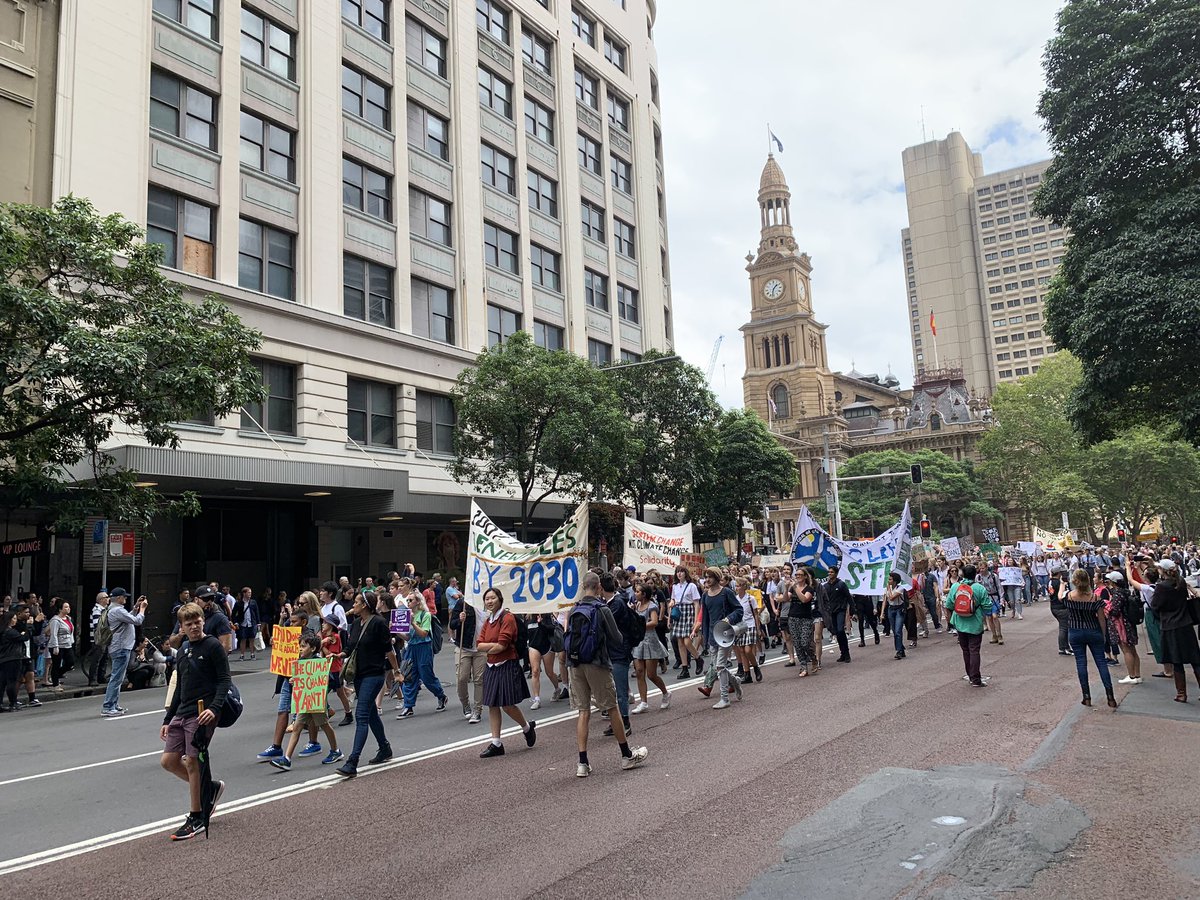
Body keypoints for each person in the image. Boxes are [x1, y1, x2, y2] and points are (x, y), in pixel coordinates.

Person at [160, 602, 231, 841]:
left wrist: (214, 708)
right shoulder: (183, 650)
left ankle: (197, 815)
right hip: (182, 711)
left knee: (192, 761)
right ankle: (208, 788)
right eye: (188, 624)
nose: (194, 627)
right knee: (169, 761)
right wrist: (168, 718)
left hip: (202, 712)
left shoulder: (213, 646)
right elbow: (179, 687)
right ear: (182, 627)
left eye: (197, 621)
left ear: (203, 621)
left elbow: (224, 680)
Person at [566, 572, 648, 776]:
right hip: (597, 662)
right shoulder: (602, 609)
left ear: (583, 586)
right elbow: (617, 638)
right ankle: (626, 755)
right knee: (612, 708)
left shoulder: (573, 609)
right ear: (599, 587)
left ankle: (582, 763)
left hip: (575, 664)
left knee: (583, 711)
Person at [336, 592, 401, 778]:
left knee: (361, 715)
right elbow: (350, 647)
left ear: (365, 605)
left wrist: (396, 671)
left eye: (356, 602)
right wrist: (339, 655)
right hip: (359, 675)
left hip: (374, 675)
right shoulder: (356, 623)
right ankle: (384, 748)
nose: (353, 605)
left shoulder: (379, 623)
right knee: (371, 713)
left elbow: (389, 651)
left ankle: (352, 762)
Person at [269, 635, 344, 770]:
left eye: (303, 646)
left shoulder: (319, 662)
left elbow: (326, 680)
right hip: (304, 700)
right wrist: (294, 680)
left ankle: (336, 751)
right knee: (297, 727)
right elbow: (300, 679)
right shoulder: (300, 662)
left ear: (313, 648)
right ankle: (286, 759)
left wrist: (322, 677)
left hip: (316, 701)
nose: (300, 649)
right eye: (300, 646)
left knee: (325, 725)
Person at [477, 588, 536, 758]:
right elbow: (479, 643)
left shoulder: (507, 618)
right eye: (487, 599)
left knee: (507, 704)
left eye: (492, 598)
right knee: (492, 704)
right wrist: (491, 646)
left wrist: (488, 647)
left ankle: (526, 727)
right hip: (491, 665)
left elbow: (502, 645)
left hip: (507, 664)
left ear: (500, 599)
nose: (489, 601)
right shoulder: (489, 620)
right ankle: (496, 743)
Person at [1149, 559, 1200, 703]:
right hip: (1186, 624)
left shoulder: (1161, 587)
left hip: (1170, 626)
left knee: (1177, 661)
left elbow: (1155, 606)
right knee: (1195, 660)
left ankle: (1181, 693)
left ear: (1163, 570)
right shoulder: (1181, 582)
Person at [693, 567, 744, 708]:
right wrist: (705, 636)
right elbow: (706, 618)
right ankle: (735, 681)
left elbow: (739, 610)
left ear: (716, 577)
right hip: (712, 635)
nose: (707, 580)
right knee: (717, 667)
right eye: (706, 577)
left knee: (720, 665)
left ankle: (725, 698)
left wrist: (729, 618)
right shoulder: (705, 595)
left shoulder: (726, 592)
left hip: (725, 633)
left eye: (710, 577)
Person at [1064, 569, 1115, 708]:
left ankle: (1086, 696)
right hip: (1093, 629)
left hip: (1075, 630)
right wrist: (1103, 634)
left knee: (1081, 663)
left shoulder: (1069, 596)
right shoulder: (1094, 598)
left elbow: (1064, 606)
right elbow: (1101, 618)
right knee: (1101, 663)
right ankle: (1110, 696)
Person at [396, 590, 449, 719]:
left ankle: (441, 695)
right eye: (407, 600)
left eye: (410, 600)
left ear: (418, 601)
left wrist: (413, 623)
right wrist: (395, 630)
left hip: (424, 647)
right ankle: (408, 706)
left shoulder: (425, 615)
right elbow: (408, 637)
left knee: (426, 676)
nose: (408, 602)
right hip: (412, 648)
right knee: (409, 676)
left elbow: (424, 634)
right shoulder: (406, 614)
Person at [944, 564, 988, 687]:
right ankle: (976, 678)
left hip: (959, 622)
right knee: (974, 650)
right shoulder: (979, 588)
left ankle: (970, 675)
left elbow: (949, 604)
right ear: (975, 574)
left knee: (965, 650)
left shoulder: (955, 587)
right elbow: (987, 605)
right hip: (975, 623)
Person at [631, 584, 670, 713]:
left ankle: (665, 693)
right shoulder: (636, 605)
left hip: (650, 641)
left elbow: (654, 622)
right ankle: (643, 702)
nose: (635, 594)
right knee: (639, 672)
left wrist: (640, 626)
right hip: (639, 641)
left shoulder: (652, 606)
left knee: (651, 674)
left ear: (644, 594)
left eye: (637, 592)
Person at [450, 588, 485, 724]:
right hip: (463, 647)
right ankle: (465, 704)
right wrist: (459, 620)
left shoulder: (487, 606)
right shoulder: (462, 603)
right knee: (461, 678)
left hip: (481, 648)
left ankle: (477, 710)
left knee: (479, 680)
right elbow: (452, 624)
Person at [668, 566, 702, 678]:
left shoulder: (692, 586)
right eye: (677, 572)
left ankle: (698, 658)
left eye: (681, 571)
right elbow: (673, 599)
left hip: (688, 612)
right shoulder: (675, 586)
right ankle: (684, 668)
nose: (679, 574)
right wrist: (672, 604)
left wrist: (696, 620)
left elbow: (696, 603)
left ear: (685, 573)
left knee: (687, 642)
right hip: (678, 612)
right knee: (680, 643)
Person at [526, 612, 563, 711]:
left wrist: (542, 623)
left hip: (547, 646)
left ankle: (557, 688)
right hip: (534, 646)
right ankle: (536, 699)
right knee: (535, 671)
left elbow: (552, 629)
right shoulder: (528, 617)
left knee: (549, 672)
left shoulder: (547, 615)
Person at [319, 617, 353, 726]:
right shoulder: (325, 637)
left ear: (331, 625)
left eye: (325, 623)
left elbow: (331, 655)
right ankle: (326, 712)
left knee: (339, 692)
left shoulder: (335, 637)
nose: (323, 624)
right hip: (326, 668)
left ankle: (348, 713)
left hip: (334, 669)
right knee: (325, 692)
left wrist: (322, 645)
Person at [787, 568, 818, 676]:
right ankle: (803, 667)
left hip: (805, 618)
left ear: (805, 576)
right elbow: (786, 598)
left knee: (805, 643)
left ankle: (813, 658)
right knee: (797, 643)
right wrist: (786, 589)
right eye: (796, 574)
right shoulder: (792, 587)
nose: (797, 576)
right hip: (793, 617)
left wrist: (795, 587)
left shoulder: (809, 589)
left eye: (800, 574)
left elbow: (804, 599)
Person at [46, 599, 76, 691]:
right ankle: (55, 684)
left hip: (67, 644)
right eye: (66, 607)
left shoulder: (68, 618)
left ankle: (57, 674)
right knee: (56, 664)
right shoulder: (55, 620)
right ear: (60, 609)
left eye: (68, 607)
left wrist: (71, 641)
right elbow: (54, 633)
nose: (68, 609)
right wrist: (55, 646)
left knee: (70, 662)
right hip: (58, 645)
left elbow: (71, 631)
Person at [825, 568, 853, 663]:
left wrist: (853, 611)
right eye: (829, 572)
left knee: (841, 630)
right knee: (836, 632)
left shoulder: (841, 584)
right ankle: (842, 653)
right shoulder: (826, 586)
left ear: (836, 573)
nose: (830, 573)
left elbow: (849, 597)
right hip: (831, 612)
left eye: (832, 572)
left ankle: (847, 653)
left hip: (841, 610)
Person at [85, 591, 111, 687]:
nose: (108, 599)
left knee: (104, 658)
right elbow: (97, 624)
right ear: (101, 599)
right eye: (106, 597)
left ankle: (101, 677)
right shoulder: (97, 609)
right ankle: (92, 679)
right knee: (97, 659)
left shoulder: (104, 609)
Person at [883, 572, 909, 660]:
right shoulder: (887, 588)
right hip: (891, 609)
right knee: (894, 630)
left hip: (899, 609)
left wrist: (889, 589)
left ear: (895, 581)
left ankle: (898, 651)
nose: (888, 581)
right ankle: (901, 649)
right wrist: (882, 612)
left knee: (898, 630)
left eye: (890, 579)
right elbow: (885, 600)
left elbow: (891, 597)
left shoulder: (900, 588)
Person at [231, 588, 260, 661]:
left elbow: (257, 613)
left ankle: (252, 654)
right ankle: (242, 655)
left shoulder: (253, 602)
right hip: (242, 623)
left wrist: (258, 623)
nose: (250, 594)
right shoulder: (239, 603)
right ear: (244, 593)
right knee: (243, 639)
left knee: (252, 639)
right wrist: (236, 622)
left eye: (250, 593)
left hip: (252, 623)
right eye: (248, 593)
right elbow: (233, 614)